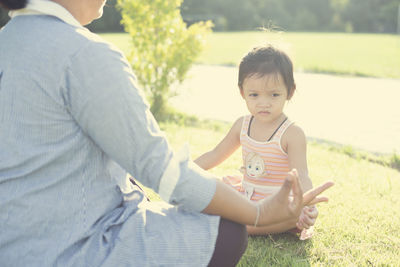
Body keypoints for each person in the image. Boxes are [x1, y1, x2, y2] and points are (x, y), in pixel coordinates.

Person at [0, 0, 333, 266]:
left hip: (11, 240)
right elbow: (163, 172)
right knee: (228, 229)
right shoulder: (85, 54)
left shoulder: (7, 41)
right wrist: (258, 212)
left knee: (133, 185)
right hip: (67, 249)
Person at [195, 45, 319, 239]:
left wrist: (306, 204)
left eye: (274, 95)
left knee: (249, 224)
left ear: (290, 91)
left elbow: (302, 175)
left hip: (278, 205)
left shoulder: (292, 133)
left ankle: (266, 223)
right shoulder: (242, 125)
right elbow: (215, 154)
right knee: (210, 194)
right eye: (254, 95)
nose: (263, 103)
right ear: (242, 92)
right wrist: (184, 172)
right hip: (247, 198)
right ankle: (242, 221)